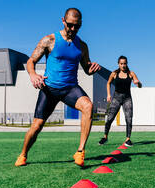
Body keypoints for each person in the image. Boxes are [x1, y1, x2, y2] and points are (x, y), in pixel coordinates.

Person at [15, 8, 101, 167]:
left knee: (88, 106)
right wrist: (33, 75)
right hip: (49, 89)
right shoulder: (49, 40)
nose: (73, 29)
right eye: (70, 25)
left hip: (70, 89)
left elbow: (87, 69)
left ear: (80, 24)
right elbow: (30, 61)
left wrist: (92, 68)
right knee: (37, 126)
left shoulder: (82, 46)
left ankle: (80, 151)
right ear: (63, 21)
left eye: (77, 26)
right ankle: (23, 154)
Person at [98, 56, 141, 147]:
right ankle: (105, 137)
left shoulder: (131, 73)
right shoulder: (114, 73)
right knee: (110, 118)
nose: (123, 65)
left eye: (124, 63)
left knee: (129, 119)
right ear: (118, 64)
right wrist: (108, 94)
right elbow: (108, 83)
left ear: (126, 64)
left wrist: (138, 82)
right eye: (121, 64)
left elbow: (139, 85)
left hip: (127, 99)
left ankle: (128, 139)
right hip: (116, 98)